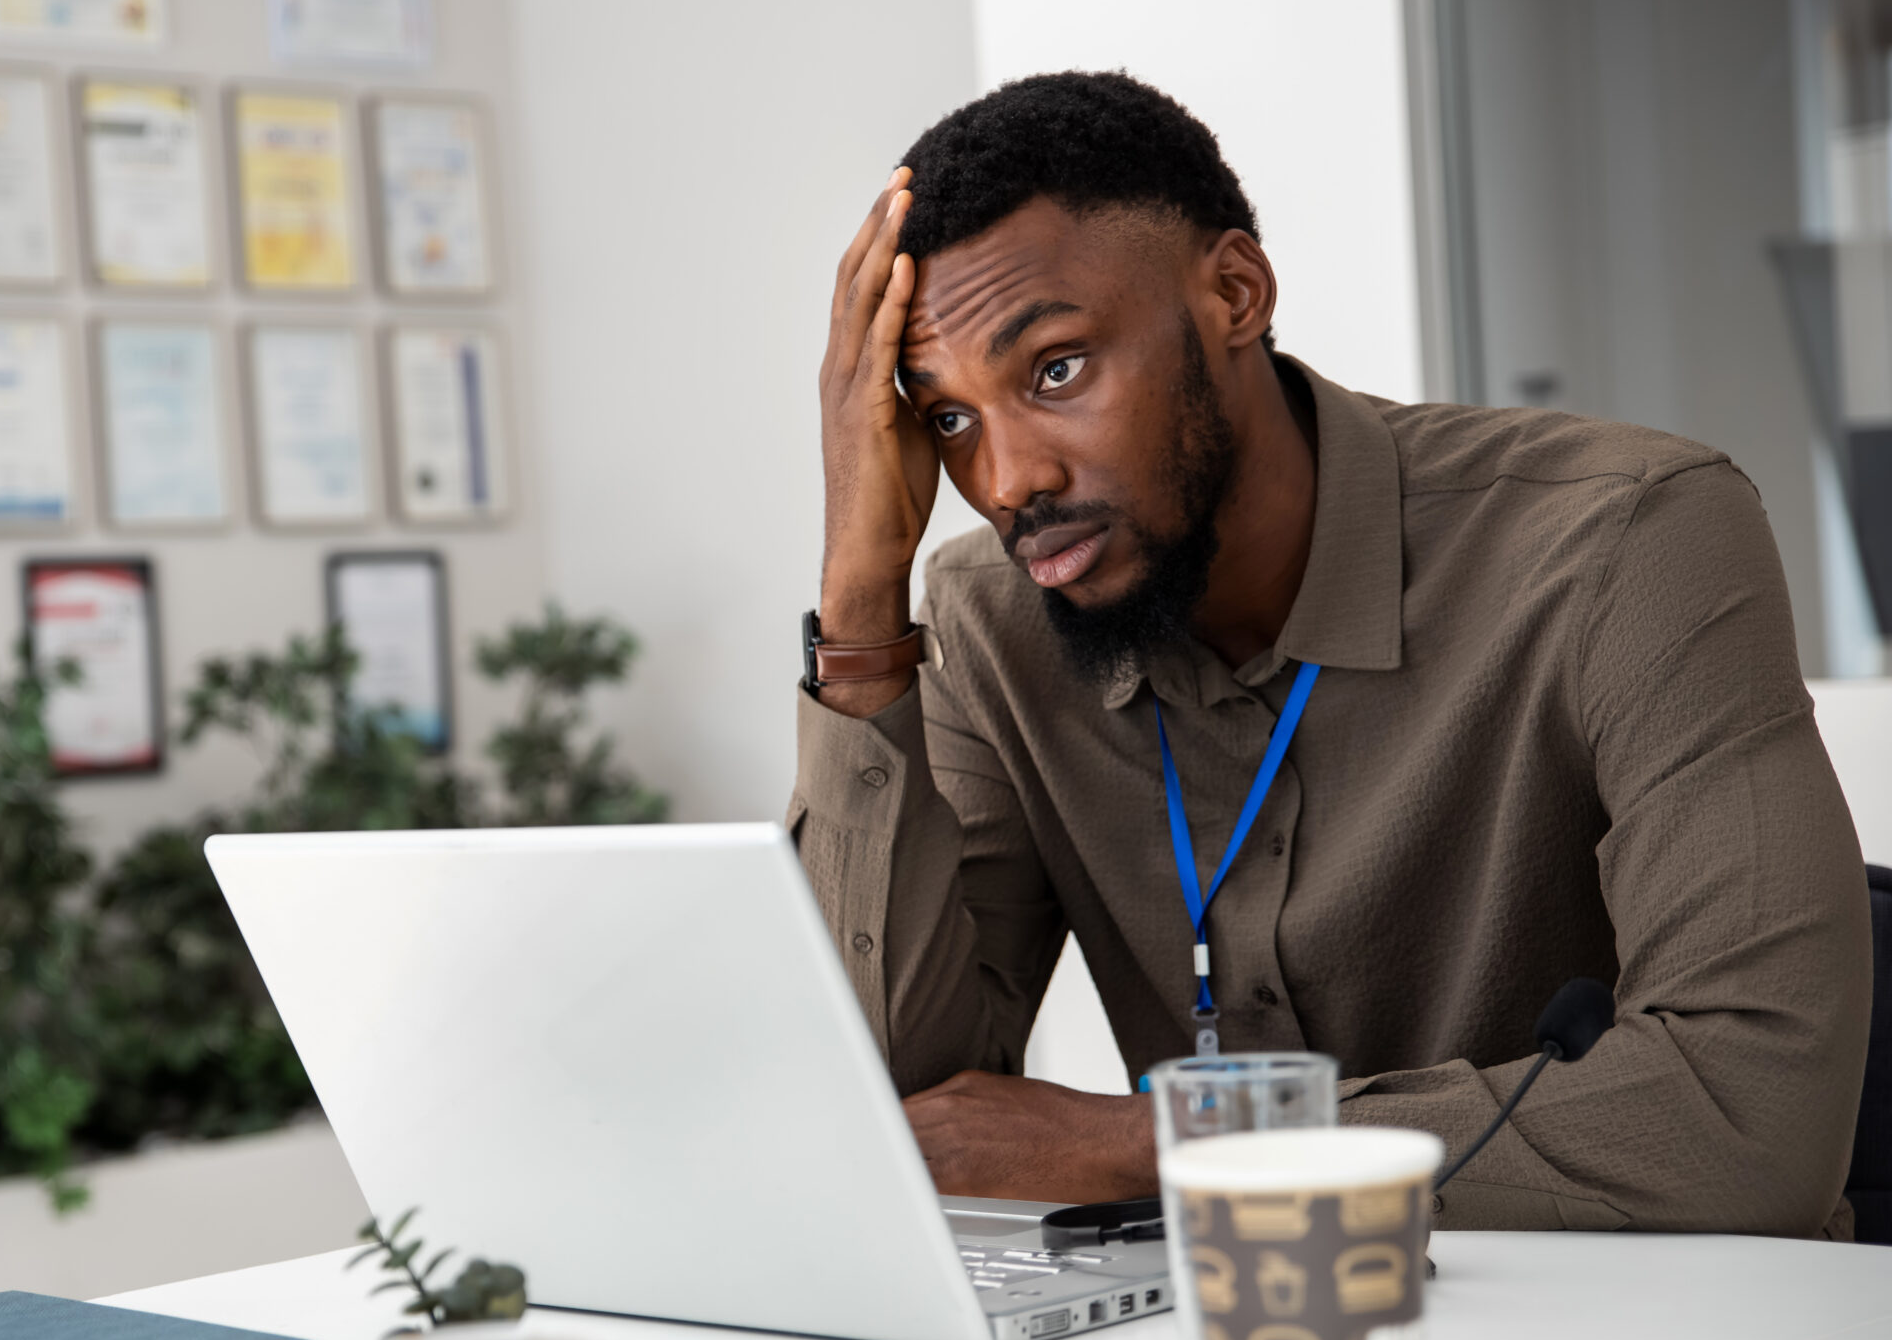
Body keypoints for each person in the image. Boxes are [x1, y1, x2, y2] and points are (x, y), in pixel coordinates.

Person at [793, 71, 1872, 1237]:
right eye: (947, 416)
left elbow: (1750, 1124)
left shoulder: (1626, 539)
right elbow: (900, 1115)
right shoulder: (984, 625)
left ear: (1234, 293)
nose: (1006, 483)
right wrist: (859, 611)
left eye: (1054, 370)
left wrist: (1154, 1144)